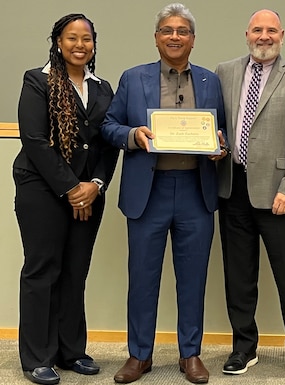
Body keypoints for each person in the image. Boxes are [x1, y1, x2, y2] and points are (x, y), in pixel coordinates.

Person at [101, 3, 227, 384]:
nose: (175, 36)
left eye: (183, 31)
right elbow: (109, 125)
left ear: (193, 40)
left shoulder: (210, 81)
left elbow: (219, 133)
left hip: (195, 190)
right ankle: (139, 355)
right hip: (147, 192)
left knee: (193, 278)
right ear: (156, 38)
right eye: (167, 30)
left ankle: (191, 354)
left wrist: (219, 147)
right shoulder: (132, 78)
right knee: (142, 277)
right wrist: (132, 136)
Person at [13, 14, 118, 385]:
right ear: (58, 42)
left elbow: (107, 143)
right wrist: (72, 188)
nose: (79, 45)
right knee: (43, 270)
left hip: (89, 190)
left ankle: (71, 350)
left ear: (93, 44)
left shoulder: (103, 88)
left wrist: (96, 183)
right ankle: (37, 357)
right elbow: (35, 141)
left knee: (75, 272)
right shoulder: (37, 80)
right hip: (42, 189)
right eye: (71, 38)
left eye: (86, 38)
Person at [215, 9, 285, 382]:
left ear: (282, 35)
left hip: (277, 193)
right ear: (246, 34)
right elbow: (217, 126)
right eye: (257, 30)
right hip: (231, 187)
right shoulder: (224, 72)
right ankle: (243, 347)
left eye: (271, 30)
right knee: (238, 275)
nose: (264, 36)